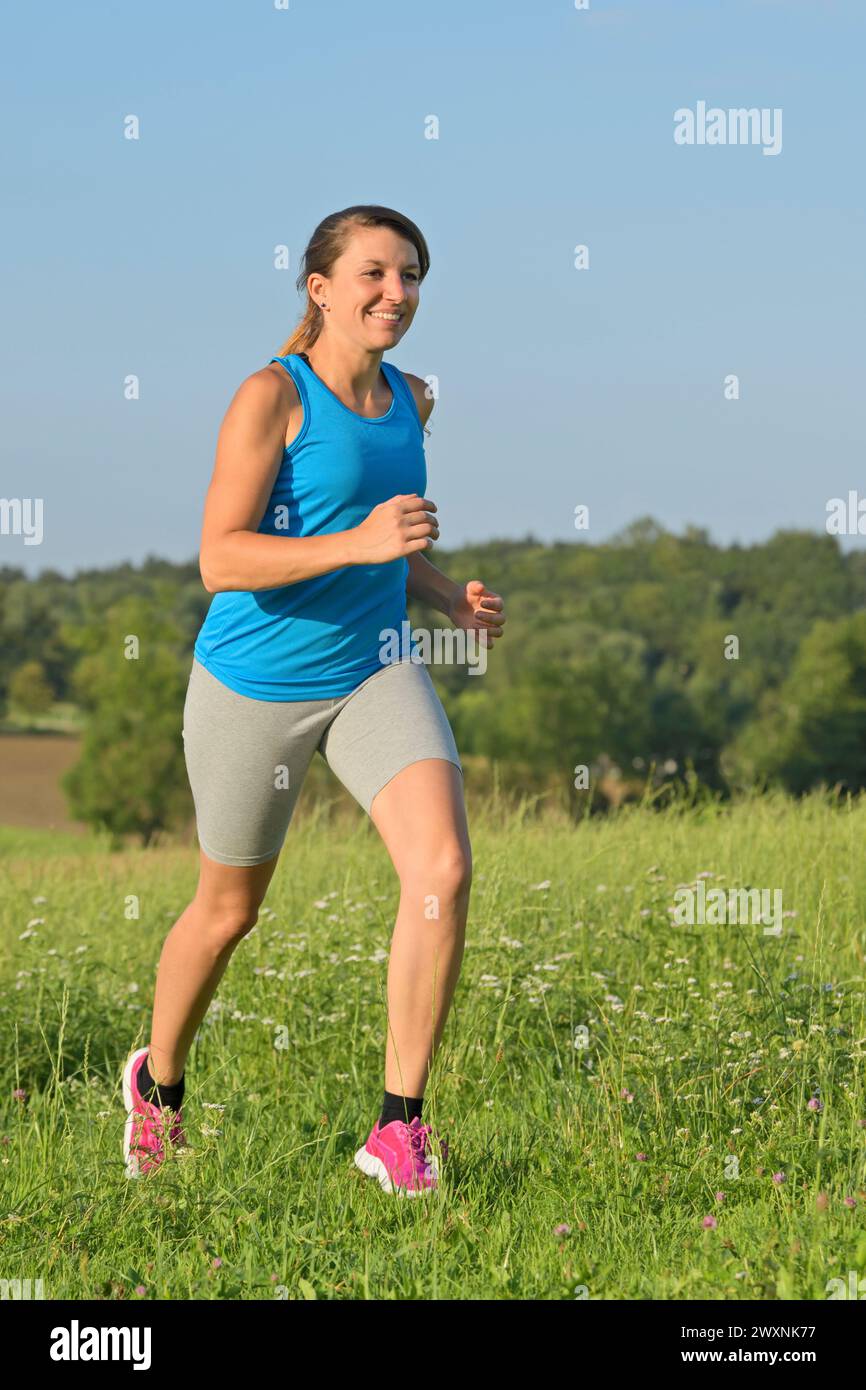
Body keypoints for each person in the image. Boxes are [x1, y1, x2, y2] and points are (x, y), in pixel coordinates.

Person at [122, 204, 506, 1195]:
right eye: (374, 272)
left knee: (442, 866)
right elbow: (220, 557)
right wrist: (362, 545)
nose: (397, 292)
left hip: (374, 665)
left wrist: (442, 593)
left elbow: (390, 541)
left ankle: (398, 1127)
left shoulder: (409, 400)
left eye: (411, 274)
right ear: (320, 288)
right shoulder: (269, 397)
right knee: (226, 911)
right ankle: (158, 1088)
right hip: (256, 683)